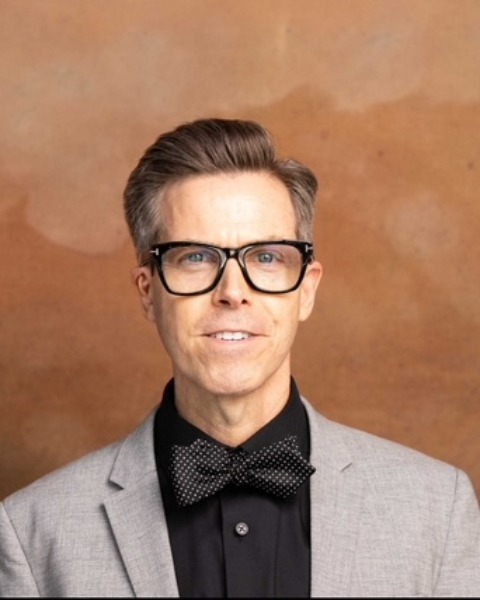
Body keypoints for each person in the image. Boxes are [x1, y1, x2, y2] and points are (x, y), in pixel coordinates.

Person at [1, 118, 479, 598]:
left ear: (306, 290)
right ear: (148, 291)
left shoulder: (437, 510)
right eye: (195, 257)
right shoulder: (33, 533)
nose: (233, 292)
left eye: (266, 257)